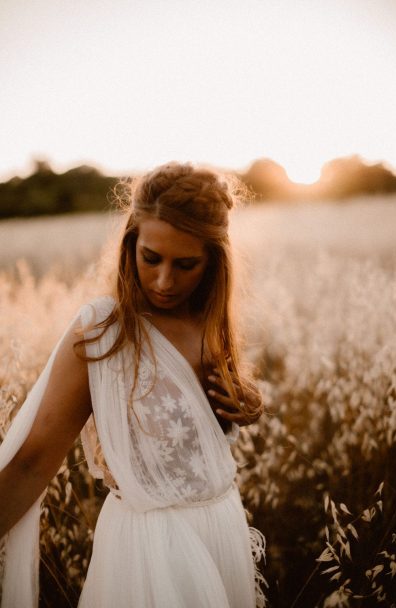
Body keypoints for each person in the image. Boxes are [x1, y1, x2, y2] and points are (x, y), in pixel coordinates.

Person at [0, 162, 267, 607]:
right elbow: (31, 463)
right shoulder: (103, 331)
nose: (165, 281)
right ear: (131, 243)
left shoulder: (209, 321)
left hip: (222, 531)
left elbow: (199, 431)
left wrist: (247, 405)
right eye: (151, 258)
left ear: (213, 261)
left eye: (186, 264)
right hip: (149, 549)